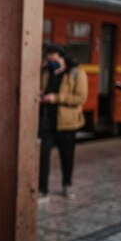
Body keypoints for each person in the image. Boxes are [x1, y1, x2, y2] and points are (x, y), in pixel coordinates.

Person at [38, 44, 88, 202]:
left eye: (55, 60)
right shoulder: (46, 72)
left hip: (67, 124)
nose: (52, 63)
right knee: (43, 156)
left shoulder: (76, 73)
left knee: (67, 156)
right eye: (49, 60)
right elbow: (42, 88)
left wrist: (57, 98)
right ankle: (42, 190)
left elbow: (80, 98)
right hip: (47, 122)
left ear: (62, 58)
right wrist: (41, 94)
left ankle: (67, 184)